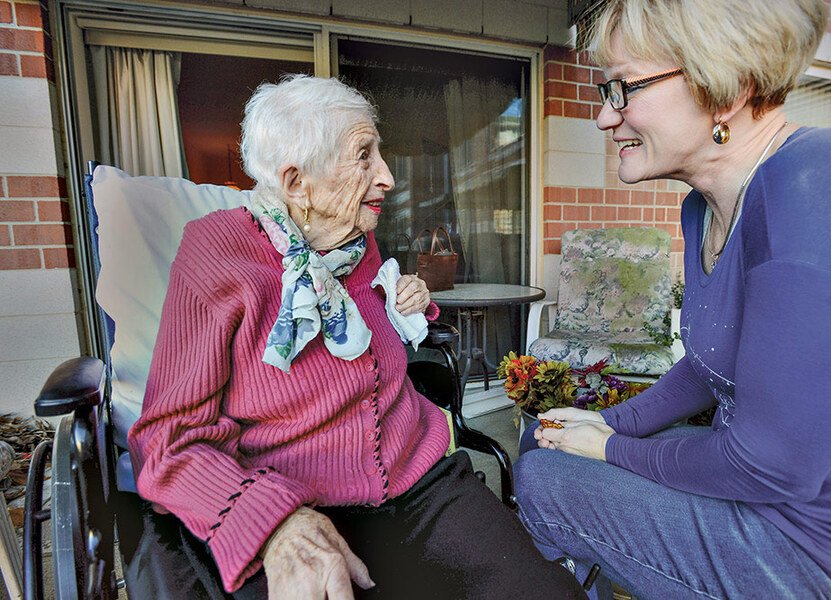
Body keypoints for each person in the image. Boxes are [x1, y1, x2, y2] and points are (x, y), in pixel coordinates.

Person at [128, 75, 586, 599]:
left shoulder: (355, 240)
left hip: (421, 481)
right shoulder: (215, 254)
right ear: (297, 182)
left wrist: (412, 298)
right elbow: (166, 441)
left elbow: (376, 322)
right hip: (294, 501)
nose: (388, 176)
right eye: (364, 156)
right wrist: (273, 522)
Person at [514, 1, 831, 599]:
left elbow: (771, 465)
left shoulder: (830, 179)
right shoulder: (702, 209)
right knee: (544, 433)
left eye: (622, 88)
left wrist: (612, 449)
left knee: (544, 477)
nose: (603, 117)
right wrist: (601, 423)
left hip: (825, 556)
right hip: (759, 500)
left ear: (727, 90)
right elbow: (707, 366)